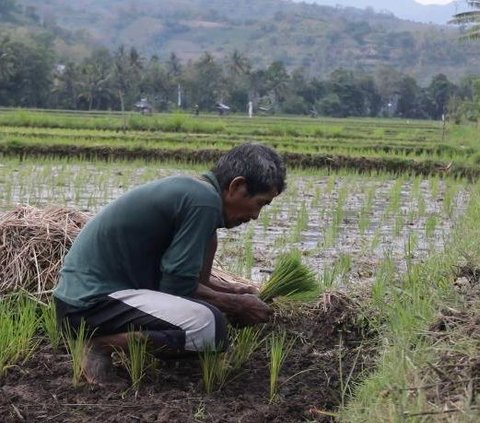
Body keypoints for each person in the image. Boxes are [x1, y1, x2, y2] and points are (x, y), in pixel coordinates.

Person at [53, 143, 286, 385]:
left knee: (209, 317)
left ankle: (105, 339)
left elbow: (195, 281)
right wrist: (236, 305)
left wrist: (235, 291)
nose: (256, 215)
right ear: (236, 186)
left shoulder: (199, 197)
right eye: (260, 203)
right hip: (90, 303)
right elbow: (177, 287)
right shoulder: (203, 202)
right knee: (210, 326)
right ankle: (99, 345)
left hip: (86, 300)